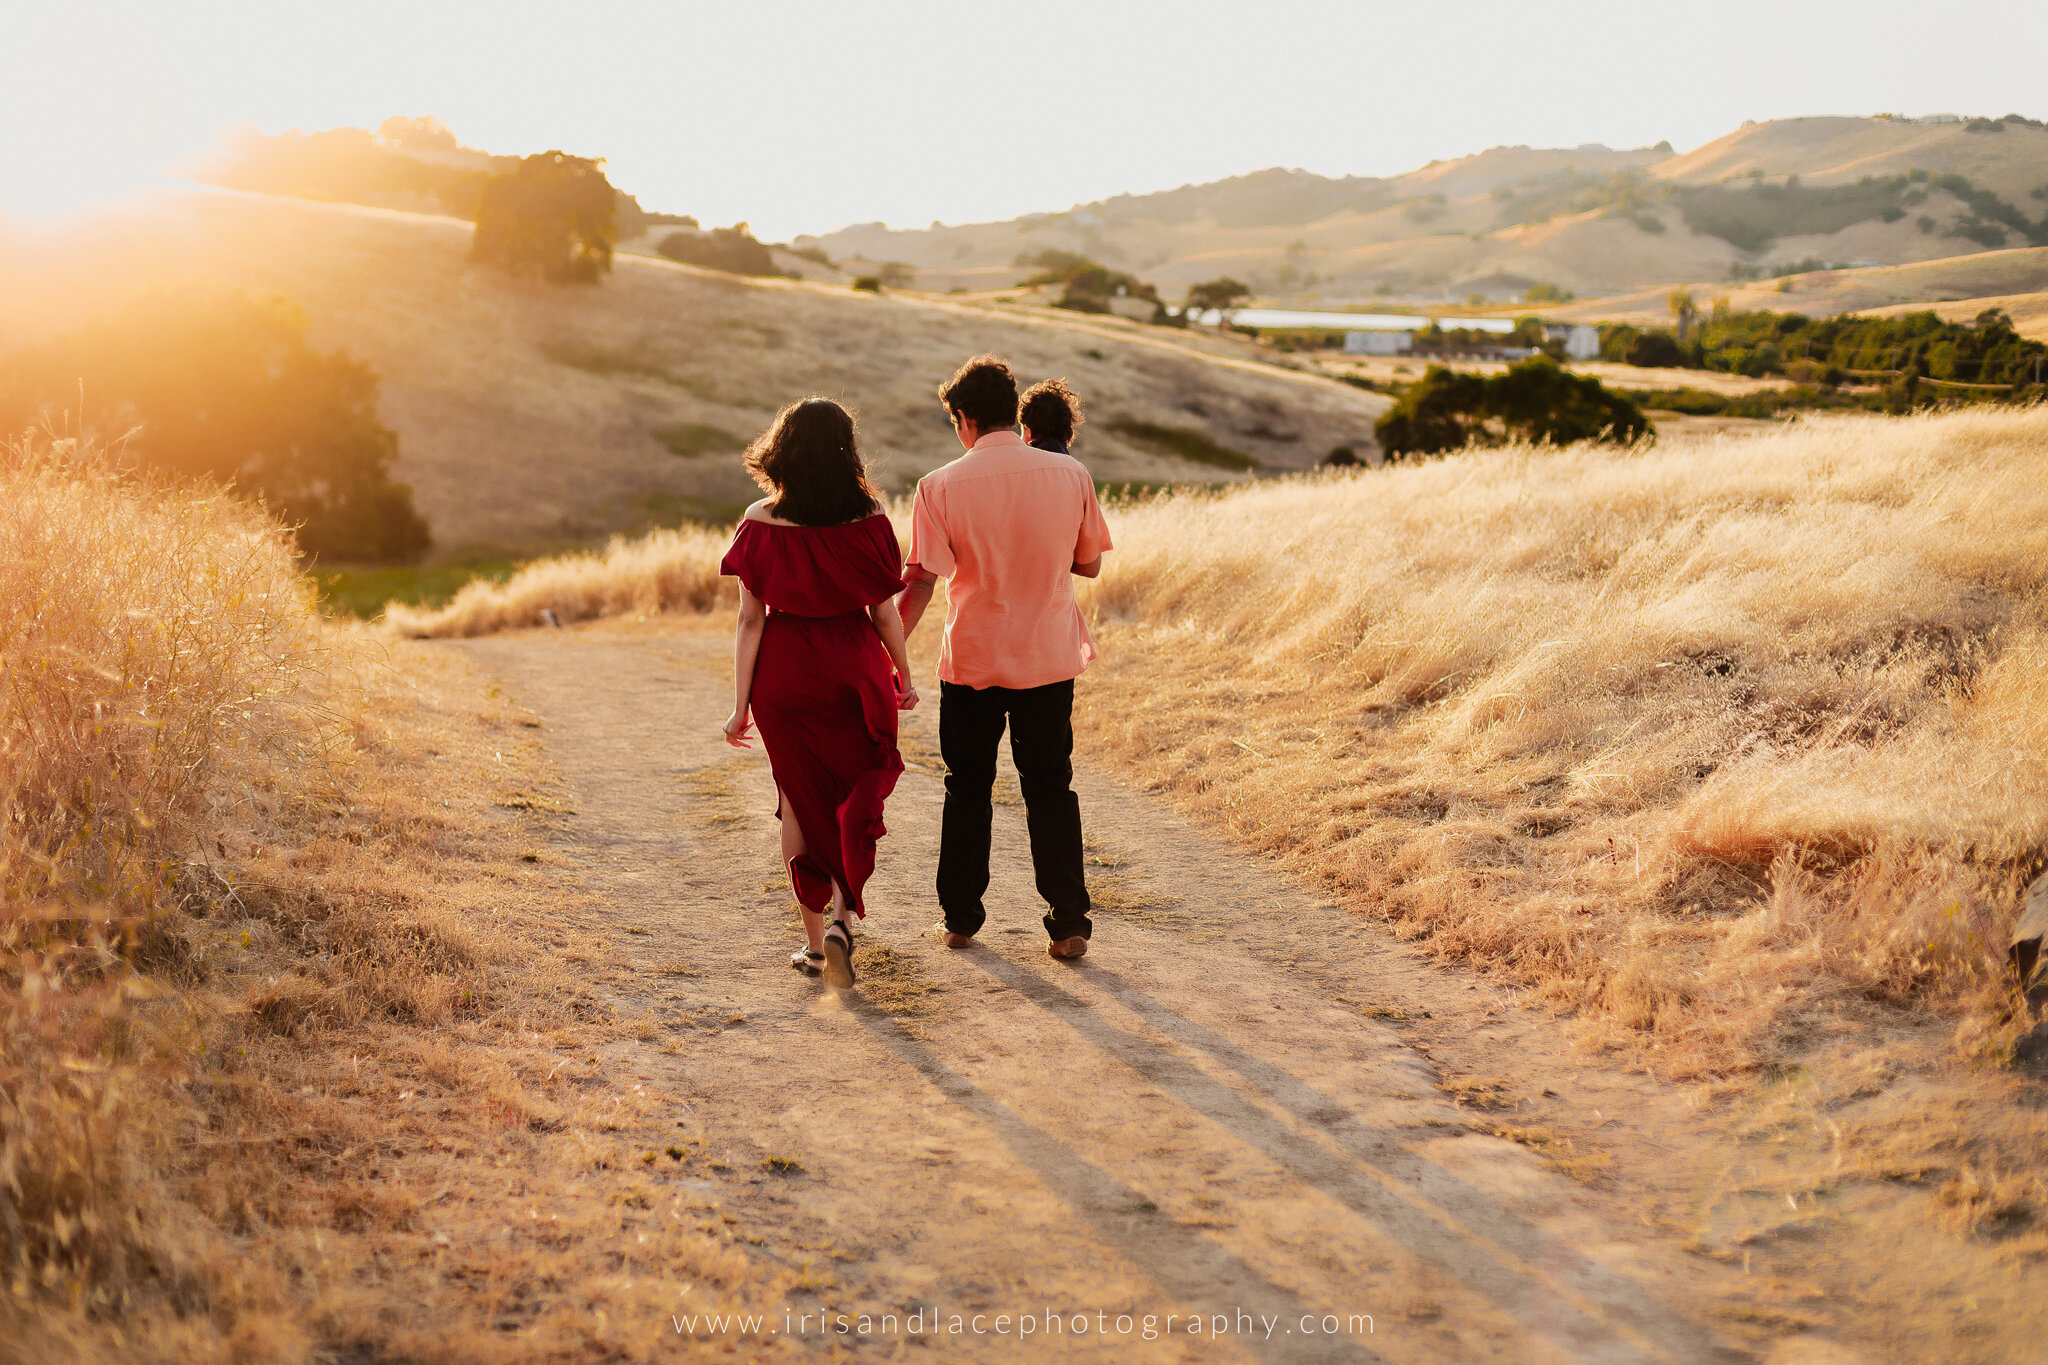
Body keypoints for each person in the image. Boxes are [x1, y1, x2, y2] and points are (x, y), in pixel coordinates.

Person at [898, 357, 1112, 960]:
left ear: (964, 418)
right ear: (1011, 411)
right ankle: (1069, 923)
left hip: (973, 661)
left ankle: (961, 920)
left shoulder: (938, 486)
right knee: (1050, 786)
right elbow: (1090, 563)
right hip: (1046, 656)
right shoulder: (1070, 475)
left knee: (968, 787)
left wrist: (886, 651)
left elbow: (920, 583)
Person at [721, 398, 919, 989]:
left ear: (781, 452)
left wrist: (738, 707)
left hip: (783, 673)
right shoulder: (871, 517)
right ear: (845, 452)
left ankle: (812, 948)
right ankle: (840, 919)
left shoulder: (759, 520)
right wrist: (902, 678)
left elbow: (750, 620)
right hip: (852, 665)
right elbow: (884, 613)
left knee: (798, 801)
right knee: (853, 790)